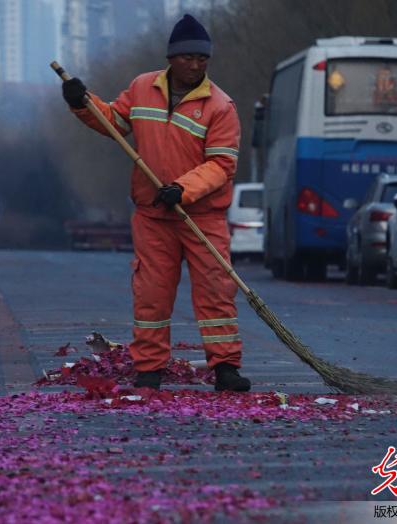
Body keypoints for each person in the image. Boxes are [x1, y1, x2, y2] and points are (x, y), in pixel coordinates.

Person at [61, 14, 250, 392]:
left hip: (201, 216)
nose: (196, 66)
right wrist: (82, 103)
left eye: (202, 59)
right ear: (171, 58)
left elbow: (222, 164)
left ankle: (225, 367)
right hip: (153, 215)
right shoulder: (142, 88)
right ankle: (149, 367)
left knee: (215, 294)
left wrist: (182, 189)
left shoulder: (220, 107)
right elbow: (113, 121)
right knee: (151, 294)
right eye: (188, 58)